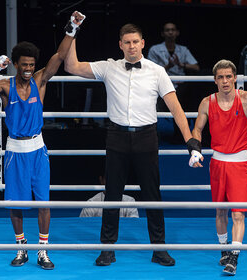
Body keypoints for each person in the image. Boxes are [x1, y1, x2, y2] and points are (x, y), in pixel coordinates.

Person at [64, 23, 201, 267]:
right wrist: (72, 31)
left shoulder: (157, 71)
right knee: (112, 194)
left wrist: (190, 140)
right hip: (116, 136)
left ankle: (159, 249)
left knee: (152, 195)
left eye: (135, 41)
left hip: (147, 137)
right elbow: (71, 66)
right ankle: (107, 248)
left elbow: (176, 109)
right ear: (120, 45)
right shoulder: (109, 67)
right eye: (127, 42)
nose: (131, 46)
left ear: (143, 43)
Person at [0, 11, 85, 270]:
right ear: (15, 64)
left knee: (43, 202)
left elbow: (58, 57)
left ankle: (43, 251)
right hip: (14, 150)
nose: (28, 69)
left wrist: (72, 29)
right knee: (15, 203)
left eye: (31, 65)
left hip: (37, 149)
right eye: (23, 65)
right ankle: (21, 247)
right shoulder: (4, 85)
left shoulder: (40, 80)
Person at [189, 59, 247, 276]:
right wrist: (195, 150)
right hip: (218, 162)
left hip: (241, 163)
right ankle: (224, 249)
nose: (225, 81)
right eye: (220, 77)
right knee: (220, 211)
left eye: (228, 76)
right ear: (215, 80)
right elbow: (197, 129)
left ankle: (234, 256)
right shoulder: (206, 102)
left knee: (238, 213)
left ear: (235, 78)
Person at [148, 22, 200, 143]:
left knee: (186, 97)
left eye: (172, 30)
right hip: (160, 86)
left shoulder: (183, 49)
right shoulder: (155, 50)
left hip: (181, 86)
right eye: (167, 30)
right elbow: (149, 70)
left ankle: (181, 135)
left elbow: (196, 67)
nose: (170, 32)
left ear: (177, 33)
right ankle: (153, 136)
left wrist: (181, 65)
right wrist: (167, 66)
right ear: (163, 33)